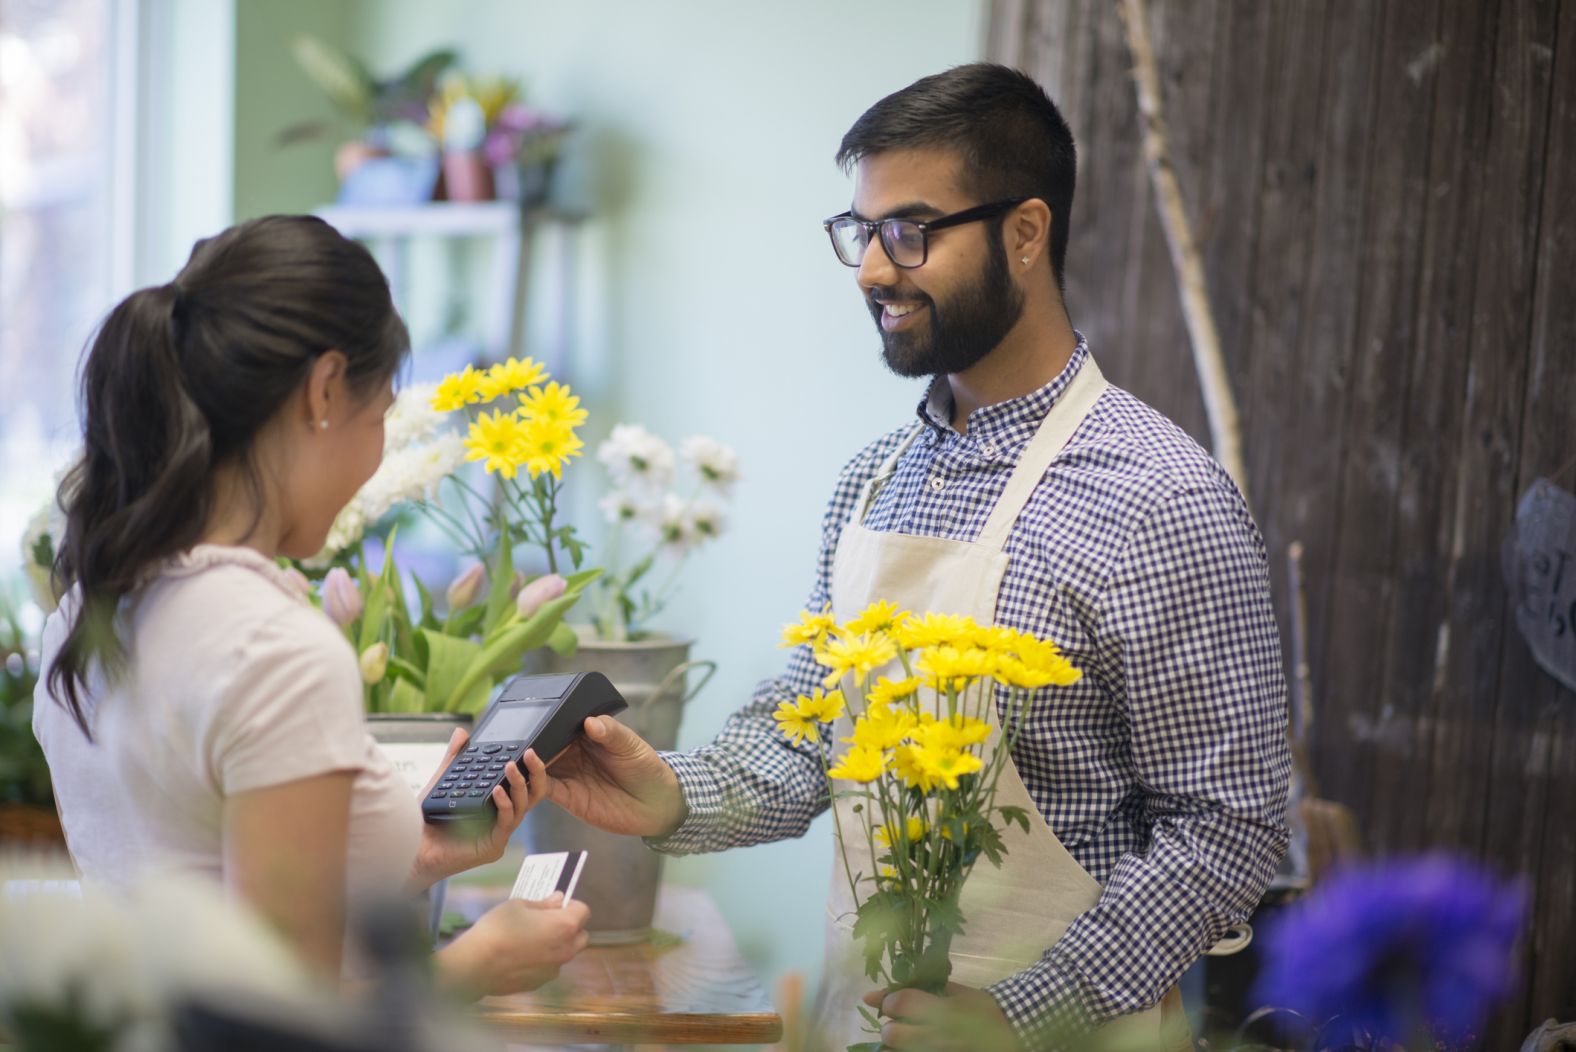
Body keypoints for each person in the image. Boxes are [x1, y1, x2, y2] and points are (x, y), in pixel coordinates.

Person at [536, 63, 1290, 1051]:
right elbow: (812, 734)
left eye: (910, 230)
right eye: (861, 231)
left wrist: (1018, 1015)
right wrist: (671, 791)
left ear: (1024, 233)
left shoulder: (1160, 500)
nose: (872, 269)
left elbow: (1226, 825)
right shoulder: (871, 480)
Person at [33, 215, 588, 996]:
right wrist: (479, 964)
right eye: (381, 416)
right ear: (324, 390)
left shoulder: (85, 617)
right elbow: (280, 1018)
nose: (376, 451)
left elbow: (200, 873)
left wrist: (418, 853)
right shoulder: (273, 647)